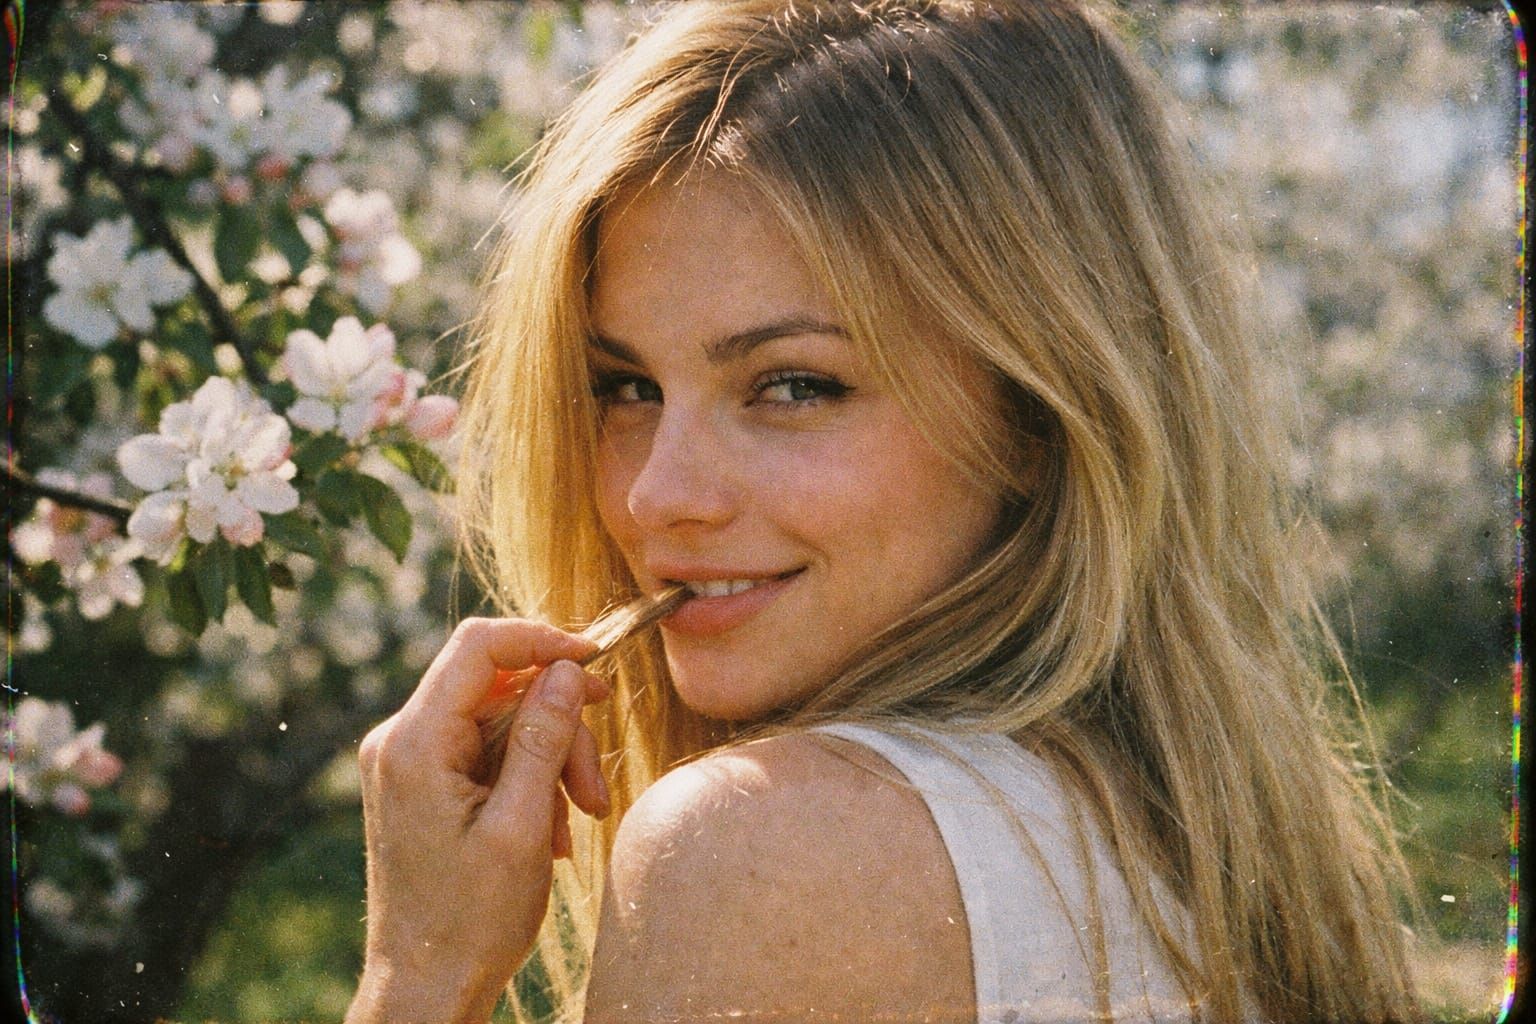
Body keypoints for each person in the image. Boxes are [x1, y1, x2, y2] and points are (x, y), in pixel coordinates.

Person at [346, 1, 1422, 1021]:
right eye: (626, 386)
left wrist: (422, 975)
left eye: (795, 385)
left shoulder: (759, 848)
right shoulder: (1190, 848)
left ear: (1042, 416)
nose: (654, 495)